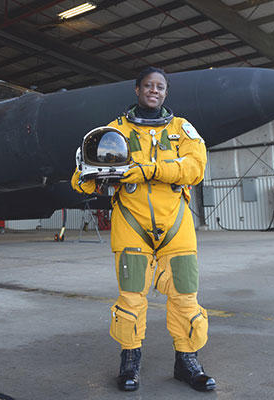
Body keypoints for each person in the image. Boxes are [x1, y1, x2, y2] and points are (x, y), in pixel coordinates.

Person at [71, 67, 215, 392]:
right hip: (131, 225)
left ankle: (187, 360)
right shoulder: (113, 131)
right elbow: (81, 174)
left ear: (166, 92)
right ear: (137, 90)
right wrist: (92, 183)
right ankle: (130, 360)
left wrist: (150, 169)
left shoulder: (182, 130)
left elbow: (195, 168)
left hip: (176, 227)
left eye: (160, 87)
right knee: (132, 298)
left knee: (185, 298)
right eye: (148, 85)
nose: (154, 90)